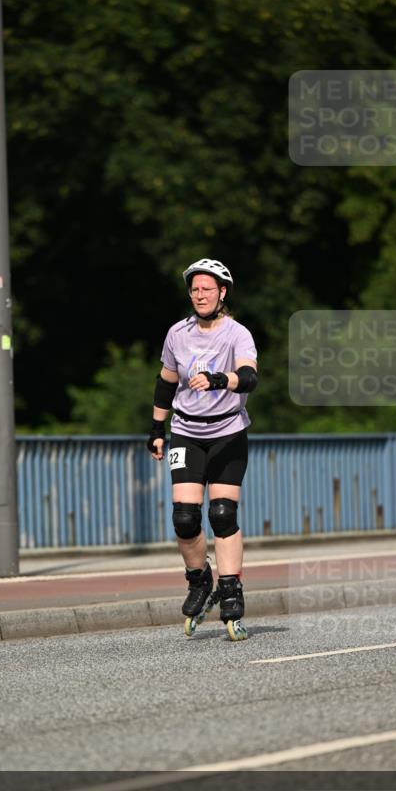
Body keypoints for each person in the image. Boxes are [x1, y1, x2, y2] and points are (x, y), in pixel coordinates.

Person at [148, 258, 258, 641]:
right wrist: (156, 428)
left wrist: (219, 380)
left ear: (222, 293)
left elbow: (249, 377)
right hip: (186, 433)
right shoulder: (177, 334)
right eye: (194, 289)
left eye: (207, 289)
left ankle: (231, 590)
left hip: (228, 433)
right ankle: (199, 580)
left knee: (222, 514)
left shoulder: (237, 334)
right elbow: (166, 382)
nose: (199, 295)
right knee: (184, 518)